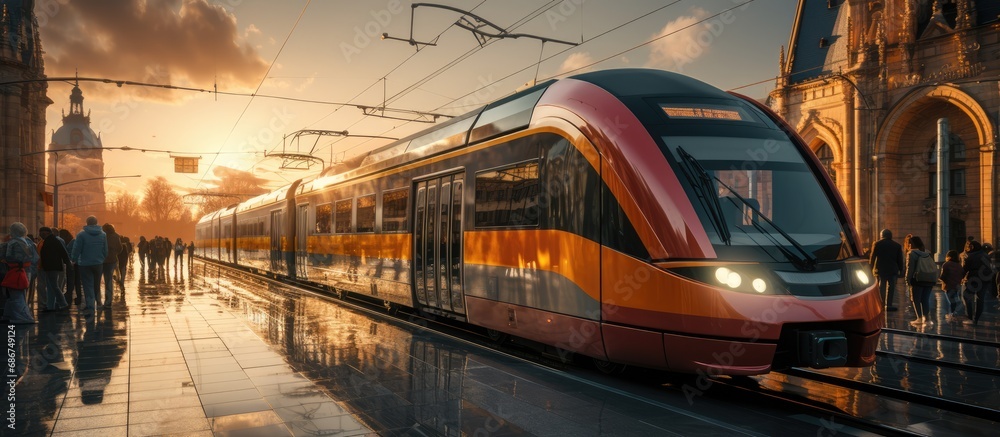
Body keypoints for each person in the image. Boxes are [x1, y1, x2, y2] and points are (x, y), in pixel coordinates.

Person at [71, 216, 108, 315]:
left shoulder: (81, 235)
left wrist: (74, 259)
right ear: (97, 222)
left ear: (87, 223)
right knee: (97, 284)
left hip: (85, 263)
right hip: (98, 263)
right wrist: (101, 258)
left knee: (88, 285)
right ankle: (99, 302)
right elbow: (105, 250)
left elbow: (76, 249)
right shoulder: (103, 234)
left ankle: (90, 306)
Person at [3, 223, 38, 324]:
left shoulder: (12, 243)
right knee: (20, 293)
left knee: (16, 294)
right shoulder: (29, 242)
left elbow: (8, 257)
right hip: (27, 270)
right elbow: (35, 258)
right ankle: (9, 314)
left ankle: (21, 316)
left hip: (15, 271)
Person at [869, 229, 904, 311]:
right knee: (891, 287)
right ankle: (889, 304)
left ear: (882, 235)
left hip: (881, 269)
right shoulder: (897, 245)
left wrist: (870, 268)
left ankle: (881, 304)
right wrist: (901, 269)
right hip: (893, 269)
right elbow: (900, 259)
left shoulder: (877, 244)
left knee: (882, 286)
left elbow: (873, 257)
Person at [37, 227, 71, 312]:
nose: (41, 235)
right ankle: (51, 306)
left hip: (51, 267)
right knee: (51, 286)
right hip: (50, 267)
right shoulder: (50, 240)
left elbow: (63, 253)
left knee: (54, 286)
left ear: (48, 233)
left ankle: (63, 303)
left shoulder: (52, 241)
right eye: (40, 233)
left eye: (43, 233)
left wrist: (68, 263)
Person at [905, 236, 935, 328]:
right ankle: (926, 318)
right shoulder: (927, 253)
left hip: (917, 279)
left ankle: (919, 318)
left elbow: (910, 268)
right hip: (929, 278)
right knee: (925, 299)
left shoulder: (912, 253)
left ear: (912, 244)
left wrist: (907, 279)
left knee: (916, 299)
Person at [961, 240, 992, 326]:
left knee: (966, 295)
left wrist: (960, 278)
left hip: (974, 279)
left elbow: (965, 269)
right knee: (980, 298)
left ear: (972, 247)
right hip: (985, 279)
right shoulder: (985, 255)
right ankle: (976, 319)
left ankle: (970, 317)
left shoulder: (970, 256)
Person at [939, 250, 965, 322]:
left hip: (948, 286)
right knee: (953, 299)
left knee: (951, 301)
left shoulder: (946, 264)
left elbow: (942, 276)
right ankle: (953, 313)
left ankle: (952, 314)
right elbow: (962, 275)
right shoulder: (959, 265)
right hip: (956, 286)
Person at [101, 223, 123, 306]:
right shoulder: (116, 236)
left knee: (98, 280)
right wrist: (114, 253)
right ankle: (108, 300)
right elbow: (120, 248)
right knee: (109, 280)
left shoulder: (102, 236)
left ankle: (100, 299)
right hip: (112, 260)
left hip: (102, 260)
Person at [59, 228, 80, 306]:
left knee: (70, 280)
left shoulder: (70, 243)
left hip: (71, 263)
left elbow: (67, 252)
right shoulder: (73, 241)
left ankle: (69, 296)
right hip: (78, 263)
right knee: (77, 281)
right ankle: (78, 297)